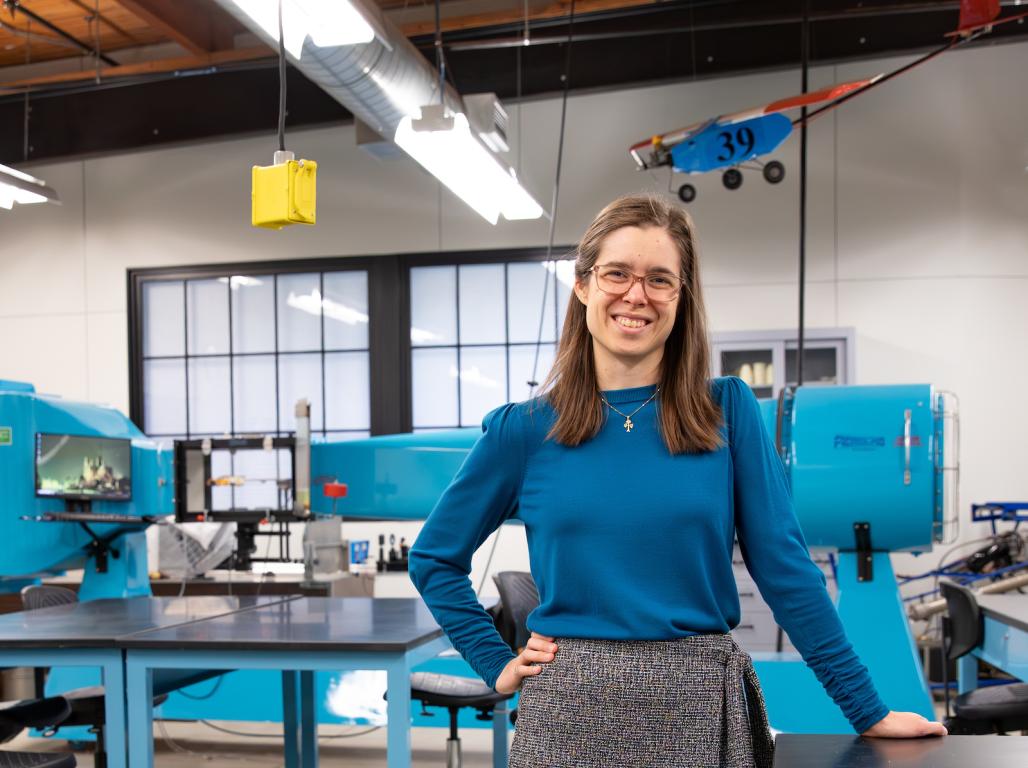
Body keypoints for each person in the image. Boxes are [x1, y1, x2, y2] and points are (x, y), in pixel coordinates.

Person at [409, 194, 946, 767]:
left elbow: (785, 569)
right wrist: (495, 662)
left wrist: (867, 710)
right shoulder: (524, 430)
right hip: (569, 712)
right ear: (585, 284)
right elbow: (435, 558)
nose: (636, 295)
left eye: (659, 279)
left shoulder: (728, 411)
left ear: (680, 298)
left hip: (699, 702)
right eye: (617, 273)